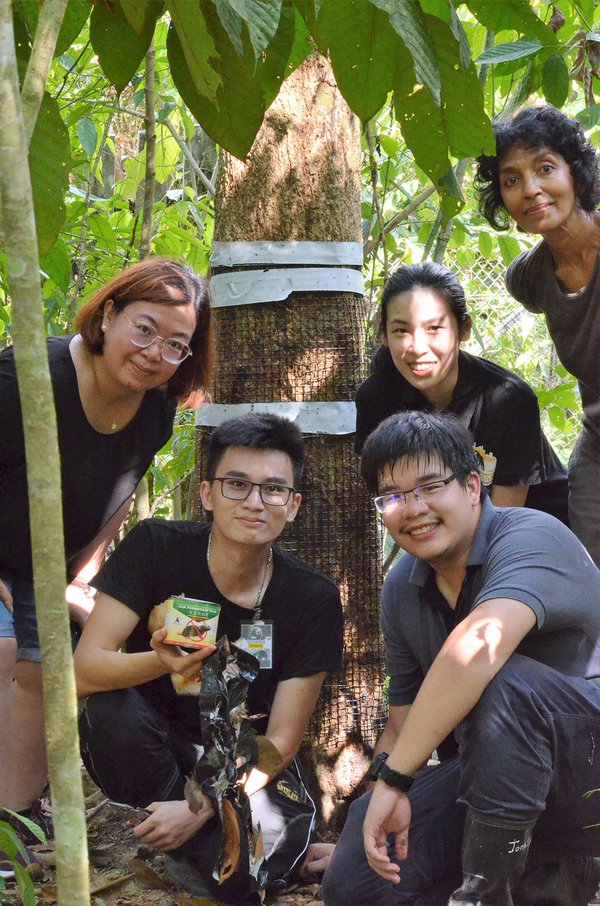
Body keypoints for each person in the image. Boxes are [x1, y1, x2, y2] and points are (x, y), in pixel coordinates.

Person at [320, 410, 600, 906]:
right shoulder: (402, 589)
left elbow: (477, 647)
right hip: (492, 783)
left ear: (473, 486)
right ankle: (534, 881)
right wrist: (375, 807)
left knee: (501, 680)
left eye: (430, 486)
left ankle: (487, 895)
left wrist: (395, 779)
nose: (413, 508)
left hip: (585, 775)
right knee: (357, 882)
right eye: (393, 497)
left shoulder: (532, 535)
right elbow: (405, 725)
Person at [73, 413, 344, 902]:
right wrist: (164, 663)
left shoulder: (313, 598)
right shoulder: (156, 546)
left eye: (273, 490)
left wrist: (199, 805)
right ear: (207, 494)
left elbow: (280, 741)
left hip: (239, 760)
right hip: (152, 738)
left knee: (251, 868)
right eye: (237, 484)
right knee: (108, 713)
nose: (254, 503)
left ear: (294, 505)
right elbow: (82, 672)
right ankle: (191, 842)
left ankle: (197, 844)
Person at [0, 258, 213, 843]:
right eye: (145, 329)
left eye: (176, 345)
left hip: (46, 570)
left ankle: (12, 824)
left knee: (47, 673)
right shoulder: (26, 379)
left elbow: (121, 492)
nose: (153, 352)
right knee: (5, 648)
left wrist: (82, 577)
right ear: (111, 313)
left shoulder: (156, 409)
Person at [475, 104, 600, 566]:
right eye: (511, 180)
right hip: (598, 442)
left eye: (545, 168)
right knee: (588, 577)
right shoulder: (528, 279)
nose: (531, 190)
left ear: (575, 172)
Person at [355, 262, 568, 523]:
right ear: (384, 336)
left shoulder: (507, 399)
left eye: (434, 328)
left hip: (529, 532)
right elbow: (395, 501)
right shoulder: (377, 400)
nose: (418, 347)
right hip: (443, 534)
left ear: (464, 328)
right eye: (401, 330)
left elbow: (504, 523)